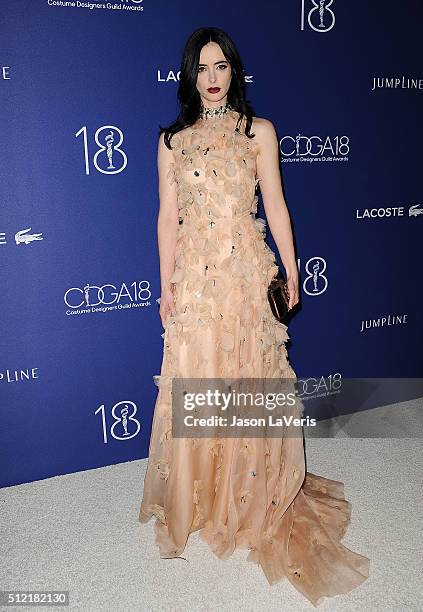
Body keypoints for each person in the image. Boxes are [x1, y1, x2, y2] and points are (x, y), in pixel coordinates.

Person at [139, 26, 370, 607]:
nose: (211, 79)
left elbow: (277, 206)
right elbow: (168, 218)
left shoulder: (257, 132)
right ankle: (205, 498)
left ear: (233, 72)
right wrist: (165, 284)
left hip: (245, 277)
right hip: (195, 281)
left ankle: (252, 496)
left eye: (220, 67)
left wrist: (291, 270)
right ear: (188, 77)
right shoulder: (171, 141)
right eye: (201, 69)